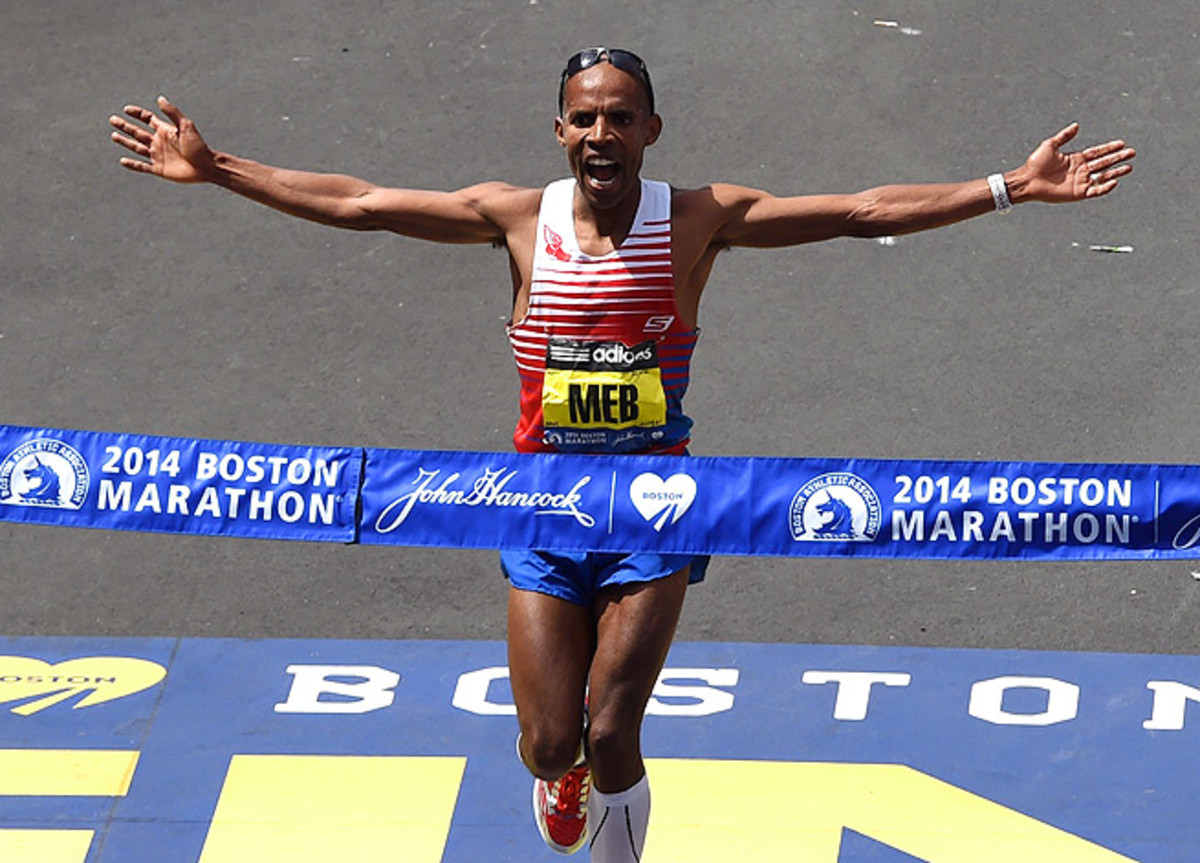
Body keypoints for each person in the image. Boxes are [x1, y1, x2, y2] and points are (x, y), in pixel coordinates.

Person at [109, 46, 1135, 861]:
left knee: (611, 734)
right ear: (561, 130)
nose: (603, 132)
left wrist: (1010, 185)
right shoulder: (514, 220)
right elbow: (361, 204)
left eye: (621, 116)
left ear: (652, 129)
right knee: (553, 742)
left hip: (655, 503)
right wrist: (218, 170)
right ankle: (553, 776)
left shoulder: (699, 220)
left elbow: (863, 214)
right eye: (585, 116)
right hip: (541, 504)